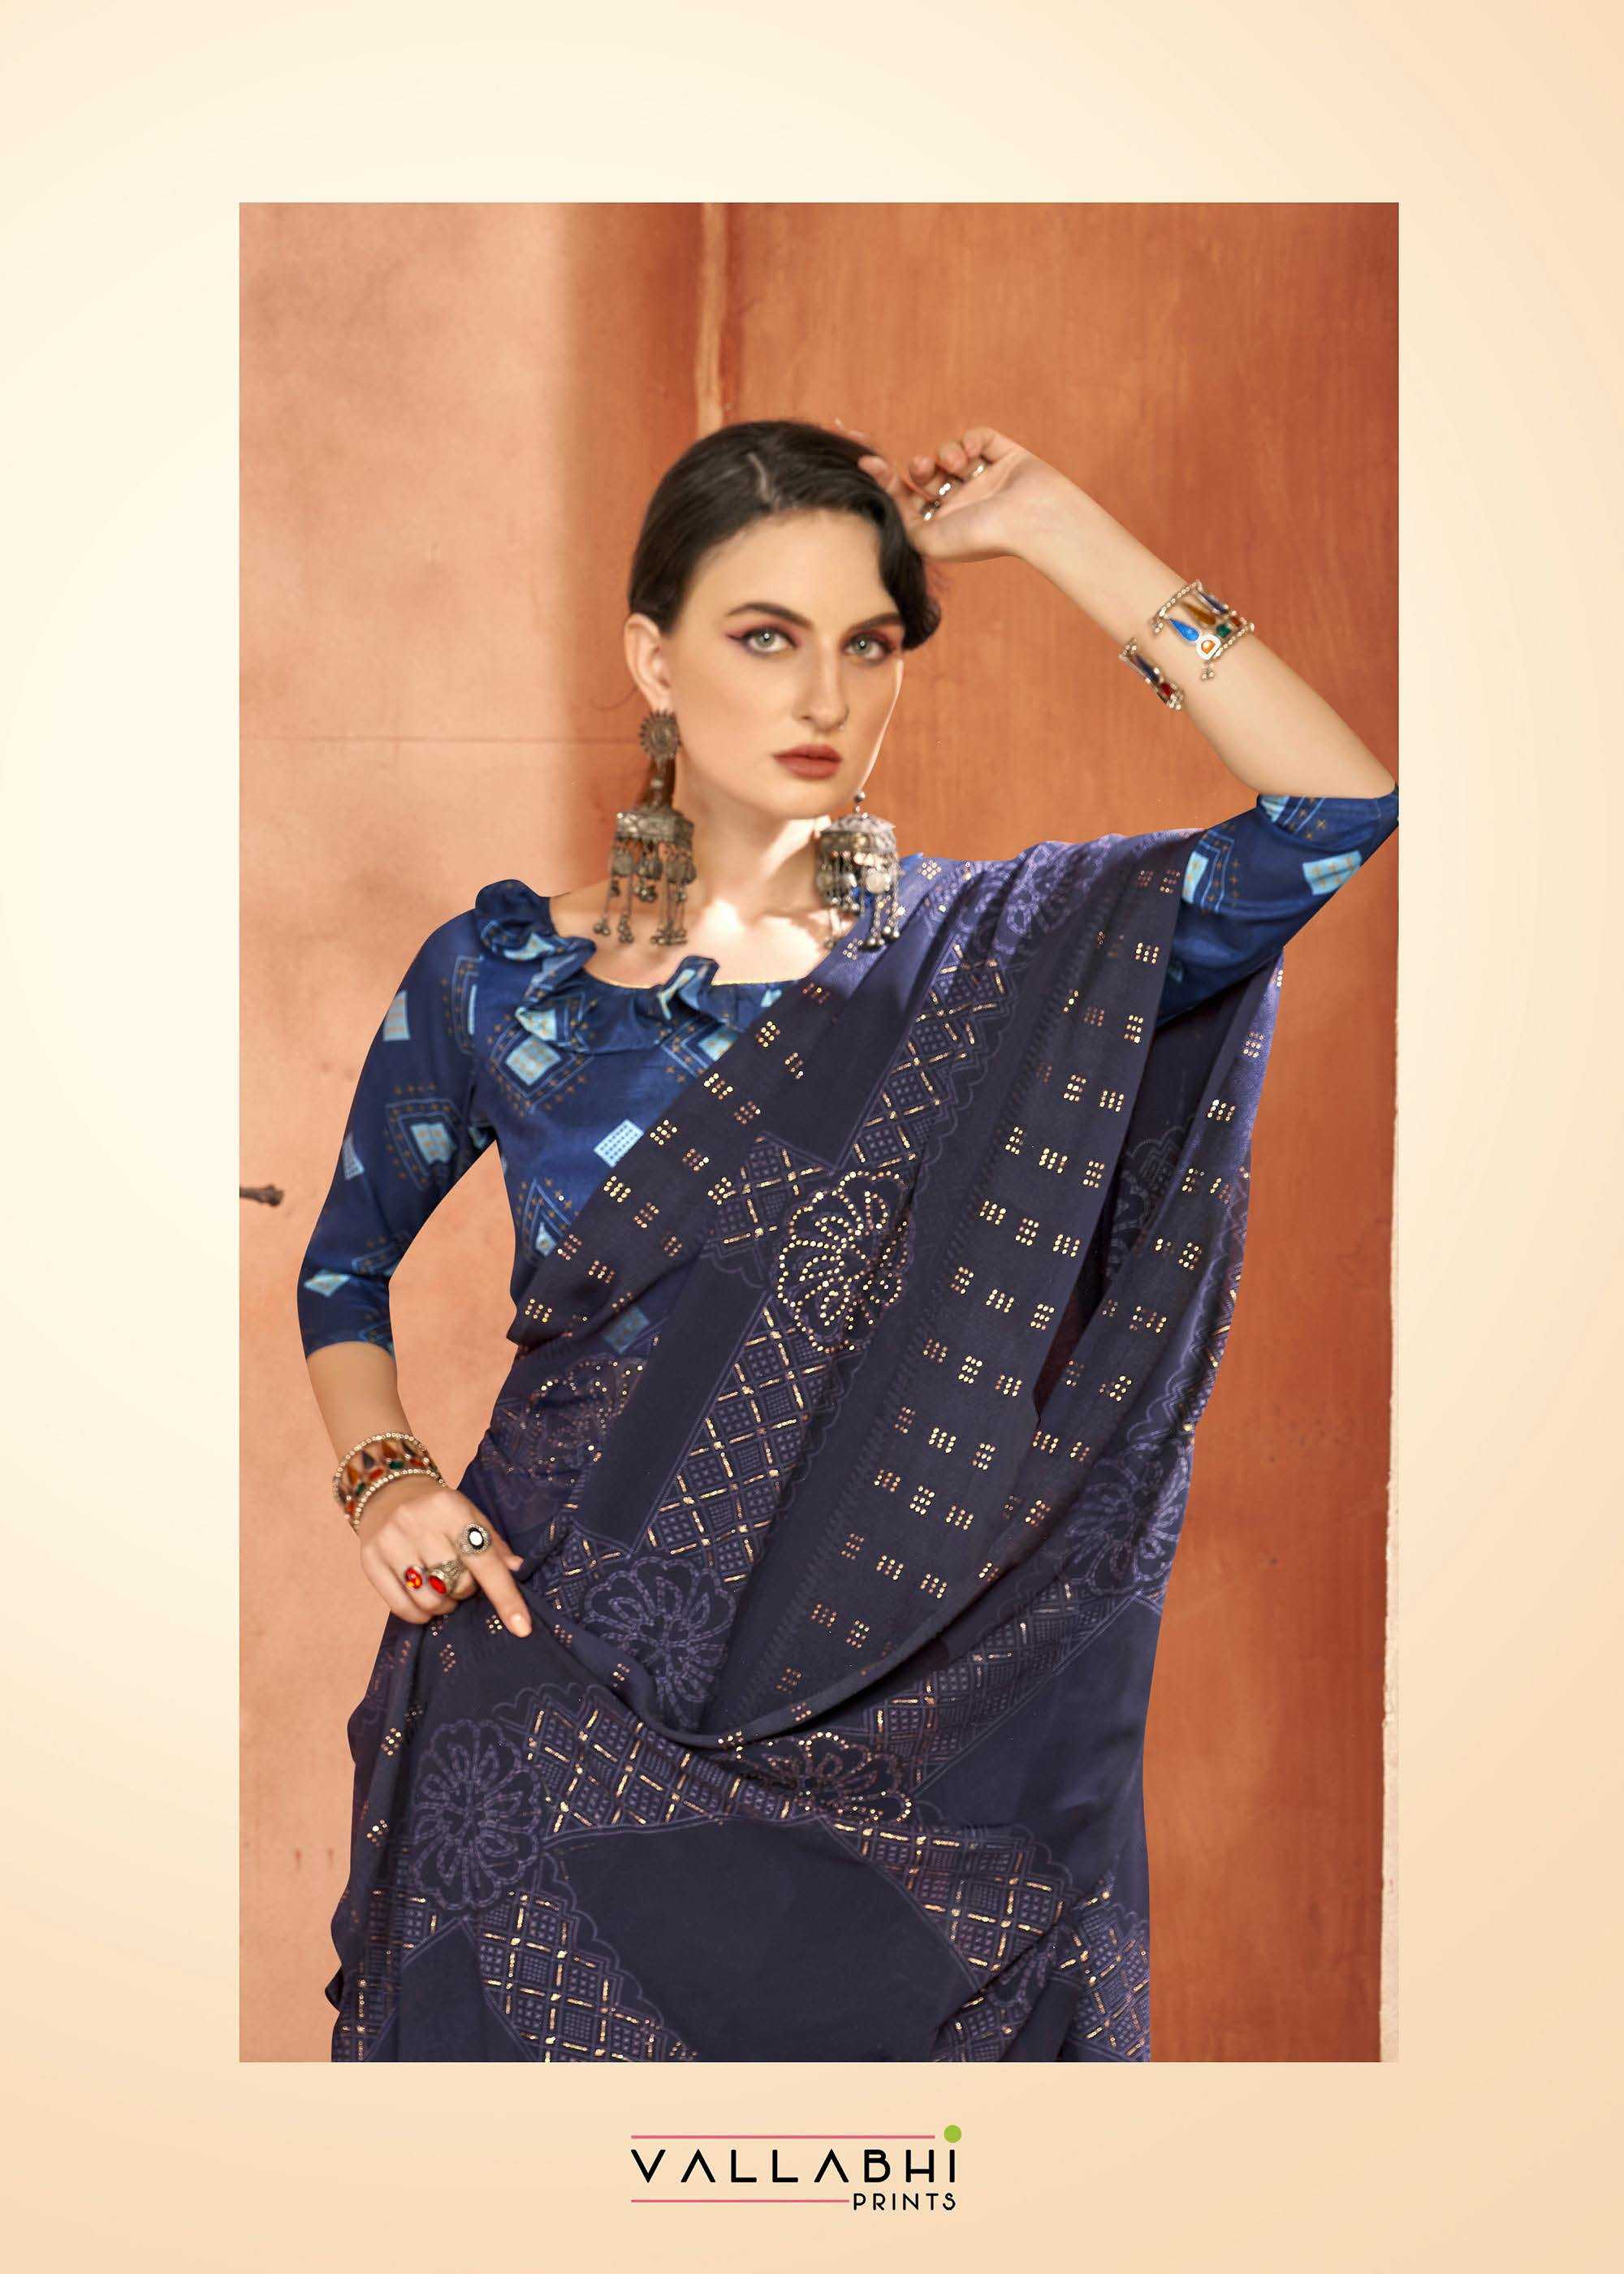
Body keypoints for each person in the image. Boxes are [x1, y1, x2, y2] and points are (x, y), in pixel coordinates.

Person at [296, 417, 1397, 2061]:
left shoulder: (1007, 960)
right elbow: (342, 1267)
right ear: (653, 660)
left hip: (910, 1748)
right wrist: (386, 1478)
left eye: (867, 644)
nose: (823, 696)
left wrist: (1058, 527)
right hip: (549, 1710)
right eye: (765, 637)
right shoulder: (505, 977)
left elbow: (1333, 810)